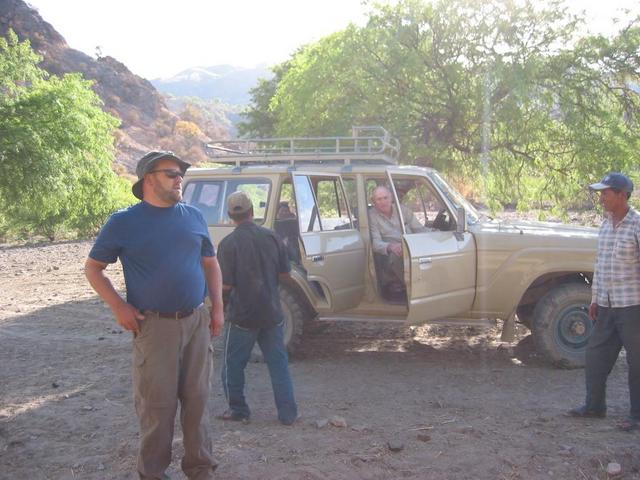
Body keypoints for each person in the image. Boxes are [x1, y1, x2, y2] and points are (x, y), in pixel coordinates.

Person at [84, 151, 224, 479]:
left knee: (198, 401)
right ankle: (153, 473)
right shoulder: (124, 222)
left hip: (196, 322)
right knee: (157, 408)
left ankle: (201, 469)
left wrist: (216, 308)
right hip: (154, 328)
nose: (179, 179)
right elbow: (94, 269)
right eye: (171, 173)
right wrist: (120, 307)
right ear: (149, 179)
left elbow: (210, 263)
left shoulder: (194, 216)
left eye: (181, 174)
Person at [217, 191, 298, 425]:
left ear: (231, 215)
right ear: (253, 212)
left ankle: (238, 410)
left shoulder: (227, 244)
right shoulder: (271, 237)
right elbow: (285, 272)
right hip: (272, 312)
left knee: (232, 365)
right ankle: (288, 414)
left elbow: (227, 284)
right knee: (278, 365)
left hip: (242, 316)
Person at [568, 172, 640, 432]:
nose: (601, 198)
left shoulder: (637, 225)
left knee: (637, 362)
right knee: (596, 355)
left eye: (605, 193)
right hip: (608, 305)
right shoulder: (606, 225)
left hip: (633, 307)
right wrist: (595, 298)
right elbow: (600, 265)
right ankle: (594, 406)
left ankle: (637, 416)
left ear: (622, 195)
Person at [368, 185, 427, 295]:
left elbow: (419, 229)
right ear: (374, 202)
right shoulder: (372, 216)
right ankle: (412, 290)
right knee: (397, 256)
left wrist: (434, 235)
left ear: (391, 198)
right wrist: (391, 246)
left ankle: (424, 287)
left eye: (385, 198)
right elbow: (375, 243)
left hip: (410, 246)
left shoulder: (403, 210)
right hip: (391, 253)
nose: (383, 202)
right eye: (379, 199)